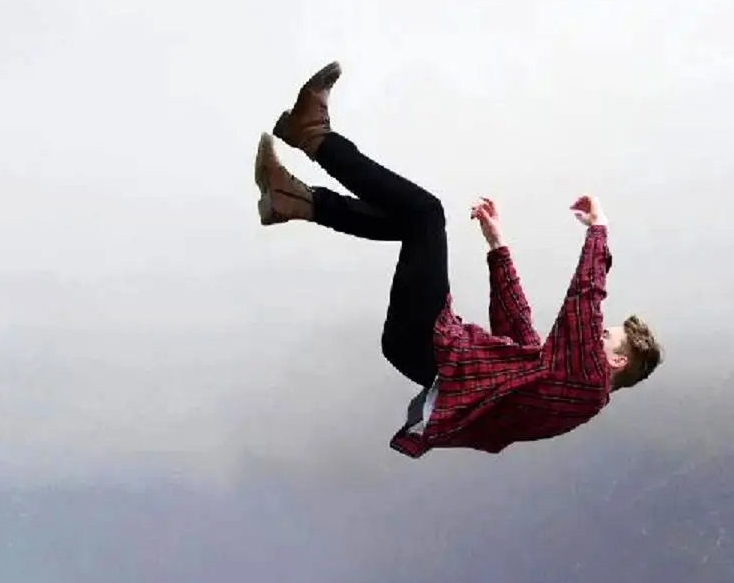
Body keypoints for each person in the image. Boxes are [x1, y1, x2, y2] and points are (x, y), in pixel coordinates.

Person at [254, 61, 663, 458]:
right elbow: (520, 338)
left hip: (431, 349)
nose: (595, 334)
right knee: (411, 221)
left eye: (605, 336)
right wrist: (498, 247)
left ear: (617, 360)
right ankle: (294, 199)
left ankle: (313, 135)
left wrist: (598, 231)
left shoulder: (588, 383)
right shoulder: (564, 386)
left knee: (425, 213)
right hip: (424, 351)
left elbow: (584, 300)